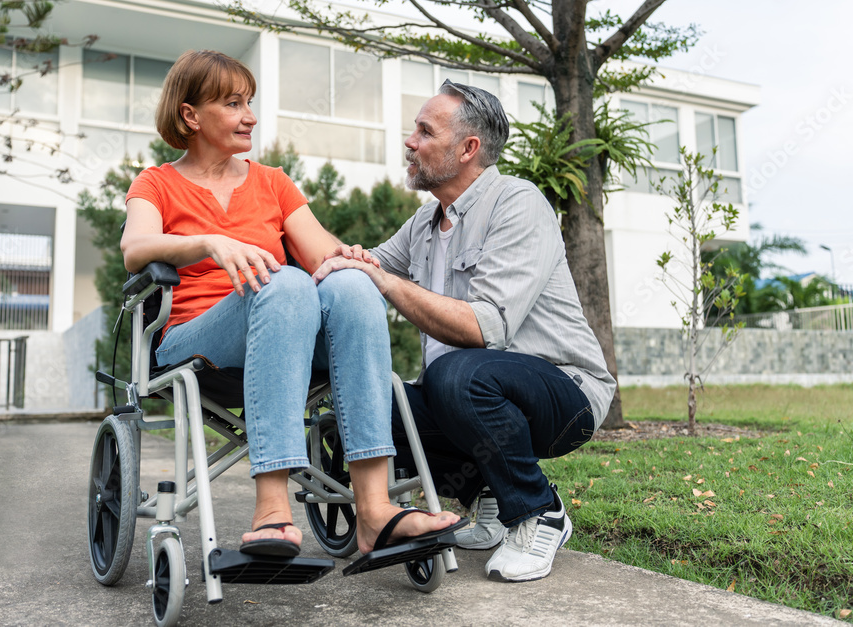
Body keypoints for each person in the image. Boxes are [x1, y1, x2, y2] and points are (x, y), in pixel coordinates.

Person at [121, 50, 463, 563]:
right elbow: (136, 249)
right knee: (282, 283)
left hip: (285, 328)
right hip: (196, 339)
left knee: (349, 285)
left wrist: (352, 260)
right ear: (191, 116)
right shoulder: (157, 183)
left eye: (250, 103)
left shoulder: (272, 182)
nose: (250, 116)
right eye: (233, 104)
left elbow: (322, 252)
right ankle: (271, 508)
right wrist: (209, 243)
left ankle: (375, 511)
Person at [312, 80, 616, 582]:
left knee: (455, 374)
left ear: (468, 148)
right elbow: (361, 268)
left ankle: (539, 510)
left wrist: (383, 281)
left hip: (567, 394)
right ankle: (492, 498)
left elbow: (484, 326)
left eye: (425, 131)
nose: (410, 141)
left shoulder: (517, 203)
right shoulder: (425, 223)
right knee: (370, 404)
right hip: (471, 387)